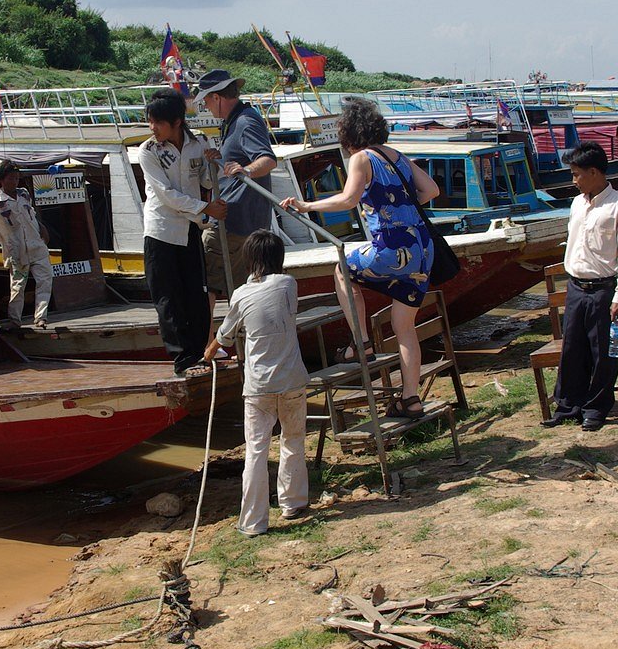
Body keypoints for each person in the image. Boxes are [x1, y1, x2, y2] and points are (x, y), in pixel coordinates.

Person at [281, 97, 440, 419]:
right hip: (422, 251)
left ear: (349, 132)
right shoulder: (396, 155)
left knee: (342, 270)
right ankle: (411, 399)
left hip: (392, 248)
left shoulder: (360, 158)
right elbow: (431, 191)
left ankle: (362, 344)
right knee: (404, 328)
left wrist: (307, 206)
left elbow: (348, 198)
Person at [204, 229, 308, 536]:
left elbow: (223, 337)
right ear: (280, 258)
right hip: (292, 380)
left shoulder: (240, 294)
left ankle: (252, 522)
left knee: (256, 451)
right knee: (292, 441)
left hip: (258, 387)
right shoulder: (289, 284)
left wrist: (208, 353)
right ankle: (293, 503)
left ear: (249, 260)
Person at [546, 142, 618, 433]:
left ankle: (596, 408)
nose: (574, 181)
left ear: (594, 172)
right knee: (572, 348)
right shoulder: (577, 203)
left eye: (577, 175)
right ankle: (568, 405)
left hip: (604, 291)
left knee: (604, 351)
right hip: (576, 287)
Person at [139, 89, 226, 375]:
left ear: (177, 122)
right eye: (150, 122)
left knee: (196, 294)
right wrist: (206, 208)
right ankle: (182, 359)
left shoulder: (199, 141)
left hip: (189, 229)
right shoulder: (149, 151)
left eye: (157, 123)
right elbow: (167, 195)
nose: (153, 128)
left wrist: (212, 163)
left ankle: (201, 351)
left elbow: (203, 178)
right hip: (161, 231)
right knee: (167, 297)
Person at [196, 68, 277, 305]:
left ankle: (206, 340)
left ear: (217, 97)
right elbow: (240, 157)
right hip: (247, 220)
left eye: (206, 102)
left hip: (232, 221)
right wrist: (219, 157)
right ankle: (238, 336)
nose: (206, 108)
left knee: (206, 283)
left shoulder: (244, 121)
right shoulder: (238, 119)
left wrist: (247, 170)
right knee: (243, 289)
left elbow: (268, 159)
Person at [0, 160, 54, 330]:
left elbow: (30, 215)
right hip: (17, 252)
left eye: (16, 178)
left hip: (36, 246)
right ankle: (15, 320)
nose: (14, 182)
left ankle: (41, 317)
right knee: (17, 286)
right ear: (1, 180)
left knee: (45, 281)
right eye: (10, 178)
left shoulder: (24, 194)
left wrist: (42, 227)